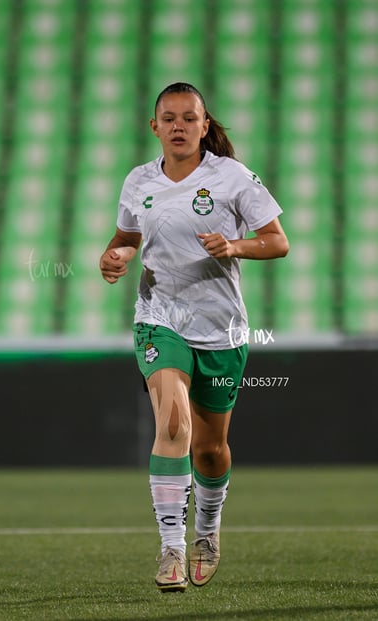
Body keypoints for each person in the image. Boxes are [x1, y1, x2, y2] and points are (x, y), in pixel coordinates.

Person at [100, 82, 289, 592]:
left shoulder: (231, 177)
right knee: (173, 422)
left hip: (220, 326)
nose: (179, 126)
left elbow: (277, 241)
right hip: (160, 317)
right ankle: (171, 550)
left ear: (205, 126)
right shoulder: (139, 180)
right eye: (169, 118)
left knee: (210, 450)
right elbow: (126, 240)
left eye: (189, 118)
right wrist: (113, 256)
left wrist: (233, 246)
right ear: (154, 126)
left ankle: (207, 529)